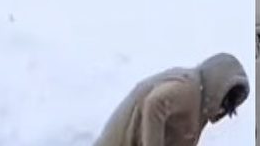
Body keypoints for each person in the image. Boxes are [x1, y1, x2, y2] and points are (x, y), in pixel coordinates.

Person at [94, 53, 250, 146]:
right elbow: (154, 103)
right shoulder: (188, 87)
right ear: (217, 89)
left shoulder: (200, 110)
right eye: (224, 103)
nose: (221, 110)